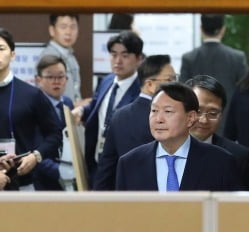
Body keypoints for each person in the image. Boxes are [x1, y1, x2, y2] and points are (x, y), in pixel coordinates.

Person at [116, 83, 239, 191]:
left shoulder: (221, 162)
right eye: (154, 111)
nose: (158, 119)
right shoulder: (129, 163)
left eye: (168, 111)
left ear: (190, 118)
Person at [94, 54, 176, 190]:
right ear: (150, 84)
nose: (175, 85)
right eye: (170, 80)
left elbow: (106, 167)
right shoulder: (168, 117)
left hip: (126, 197)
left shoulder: (118, 115)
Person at [72, 31, 143, 186]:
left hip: (124, 166)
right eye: (113, 54)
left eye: (125, 55)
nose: (117, 61)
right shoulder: (107, 80)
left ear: (138, 59)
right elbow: (97, 105)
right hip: (97, 162)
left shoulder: (142, 90)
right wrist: (83, 110)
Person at [0, 28, 62, 190]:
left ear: (12, 54)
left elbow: (55, 134)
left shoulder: (31, 94)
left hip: (23, 182)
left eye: (1, 49)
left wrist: (36, 156)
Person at [180, 14, 248, 133]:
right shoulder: (237, 58)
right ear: (223, 29)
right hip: (228, 126)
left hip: (196, 125)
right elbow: (245, 93)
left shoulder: (189, 58)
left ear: (201, 29)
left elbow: (182, 94)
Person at [187, 75, 249, 190]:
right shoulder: (164, 150)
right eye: (198, 111)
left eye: (212, 113)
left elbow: (245, 204)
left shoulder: (238, 156)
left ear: (221, 115)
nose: (203, 120)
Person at [33, 55, 75, 190]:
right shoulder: (32, 106)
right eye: (50, 77)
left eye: (61, 76)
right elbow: (33, 148)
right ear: (38, 80)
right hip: (41, 179)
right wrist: (62, 172)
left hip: (68, 176)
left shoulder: (67, 103)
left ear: (66, 79)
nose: (56, 81)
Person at [40, 14, 82, 101]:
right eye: (63, 27)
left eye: (73, 27)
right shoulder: (49, 57)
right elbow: (51, 100)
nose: (68, 32)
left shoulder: (69, 54)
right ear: (52, 30)